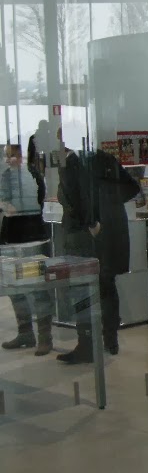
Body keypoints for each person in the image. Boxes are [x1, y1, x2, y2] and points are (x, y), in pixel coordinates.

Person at [57, 133, 141, 362]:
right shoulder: (103, 158)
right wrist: (109, 204)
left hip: (89, 236)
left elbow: (76, 203)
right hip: (112, 231)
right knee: (106, 284)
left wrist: (93, 222)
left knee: (84, 288)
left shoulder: (70, 166)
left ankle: (87, 344)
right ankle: (110, 339)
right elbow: (132, 188)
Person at [1, 144, 53, 356]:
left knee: (38, 289)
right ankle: (25, 332)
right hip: (11, 239)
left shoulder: (33, 175)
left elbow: (39, 200)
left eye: (11, 155)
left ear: (21, 156)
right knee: (15, 289)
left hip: (32, 239)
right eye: (6, 156)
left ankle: (44, 337)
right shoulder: (5, 176)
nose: (8, 160)